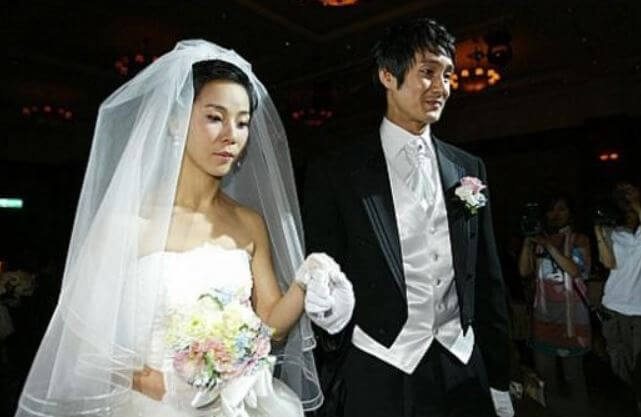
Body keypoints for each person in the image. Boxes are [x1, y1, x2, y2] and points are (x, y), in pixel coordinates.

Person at [14, 40, 353, 417]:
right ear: (175, 121)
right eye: (215, 117)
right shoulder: (128, 222)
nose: (231, 135)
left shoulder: (249, 223)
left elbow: (271, 326)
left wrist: (307, 279)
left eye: (242, 122)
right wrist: (148, 381)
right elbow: (81, 343)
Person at [303, 18, 513, 417]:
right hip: (379, 365)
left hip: (463, 362)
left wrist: (499, 378)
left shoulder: (468, 168)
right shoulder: (336, 172)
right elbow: (322, 275)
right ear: (388, 75)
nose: (442, 87)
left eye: (447, 75)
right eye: (428, 72)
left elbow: (488, 280)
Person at [518, 195, 592, 416]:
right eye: (551, 210)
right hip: (543, 318)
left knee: (573, 376)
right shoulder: (540, 241)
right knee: (545, 377)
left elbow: (576, 271)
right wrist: (527, 241)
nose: (555, 215)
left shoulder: (579, 239)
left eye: (561, 209)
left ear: (570, 213)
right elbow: (524, 271)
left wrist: (549, 245)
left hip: (572, 320)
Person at [595, 181, 641, 414]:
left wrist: (636, 202)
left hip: (639, 311)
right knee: (619, 364)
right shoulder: (613, 232)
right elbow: (608, 262)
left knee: (639, 366)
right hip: (613, 306)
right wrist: (599, 231)